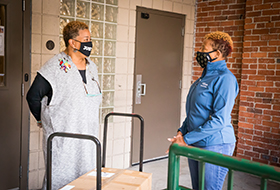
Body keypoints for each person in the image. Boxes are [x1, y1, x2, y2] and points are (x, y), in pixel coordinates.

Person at [26, 21, 102, 189]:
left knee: (87, 178)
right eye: (86, 39)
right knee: (61, 178)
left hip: (88, 138)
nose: (90, 43)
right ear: (72, 42)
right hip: (64, 139)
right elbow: (33, 97)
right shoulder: (55, 67)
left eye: (90, 39)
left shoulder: (92, 67)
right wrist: (43, 119)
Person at [167, 31, 239, 190]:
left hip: (216, 143)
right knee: (197, 187)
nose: (199, 51)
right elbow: (194, 112)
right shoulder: (203, 78)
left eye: (203, 48)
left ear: (217, 53)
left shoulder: (225, 79)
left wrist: (186, 140)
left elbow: (219, 120)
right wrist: (181, 132)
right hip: (196, 141)